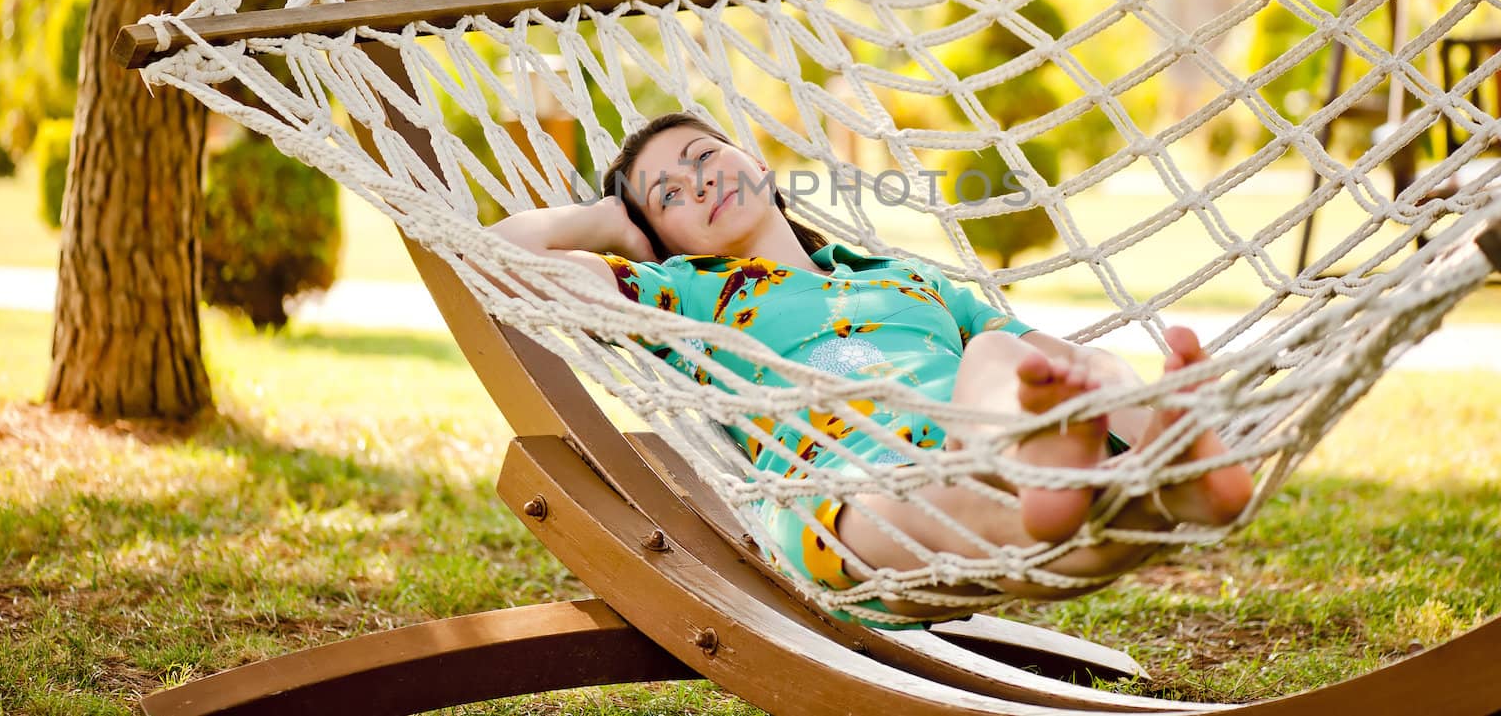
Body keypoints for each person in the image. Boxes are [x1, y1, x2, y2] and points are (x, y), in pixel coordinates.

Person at [488, 111, 1255, 625]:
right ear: (663, 239)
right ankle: (1083, 481)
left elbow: (1043, 360)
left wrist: (1072, 392)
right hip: (850, 481)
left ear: (757, 164)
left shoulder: (905, 277)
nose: (699, 183)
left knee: (1018, 352)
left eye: (706, 157)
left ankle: (1150, 459)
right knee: (969, 475)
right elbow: (502, 257)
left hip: (987, 431)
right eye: (668, 195)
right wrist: (607, 224)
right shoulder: (682, 295)